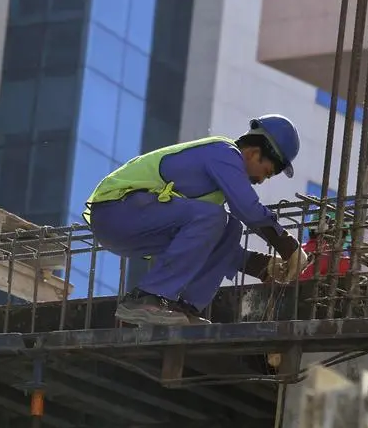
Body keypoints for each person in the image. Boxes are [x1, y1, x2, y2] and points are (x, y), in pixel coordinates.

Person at [84, 115, 309, 326]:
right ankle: (147, 298)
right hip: (115, 210)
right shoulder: (223, 153)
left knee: (229, 228)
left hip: (134, 223)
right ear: (252, 152)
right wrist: (288, 245)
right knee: (216, 217)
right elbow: (248, 209)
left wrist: (263, 267)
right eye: (266, 171)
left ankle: (185, 309)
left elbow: (209, 243)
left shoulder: (213, 192)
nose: (261, 180)